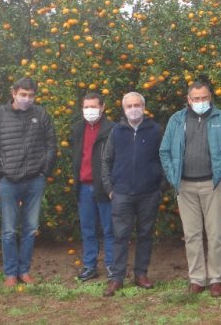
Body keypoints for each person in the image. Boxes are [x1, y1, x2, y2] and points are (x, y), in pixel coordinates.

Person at [160, 80, 221, 297]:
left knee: (215, 234)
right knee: (192, 234)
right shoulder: (177, 120)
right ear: (188, 100)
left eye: (204, 97)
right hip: (185, 186)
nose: (200, 101)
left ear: (210, 97)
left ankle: (216, 279)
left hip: (212, 184)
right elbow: (164, 151)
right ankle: (197, 278)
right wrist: (173, 177)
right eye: (196, 98)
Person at [0, 77, 57, 288]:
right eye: (23, 94)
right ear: (13, 93)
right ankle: (10, 273)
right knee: (9, 230)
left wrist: (45, 170)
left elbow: (51, 143)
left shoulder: (40, 114)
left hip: (35, 180)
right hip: (9, 181)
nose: (27, 99)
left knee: (31, 228)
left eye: (31, 95)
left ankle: (24, 270)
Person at [101, 92, 164, 297]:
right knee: (120, 236)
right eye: (129, 106)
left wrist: (160, 187)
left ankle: (141, 274)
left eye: (137, 105)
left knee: (145, 235)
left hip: (149, 193)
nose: (133, 109)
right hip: (121, 194)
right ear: (123, 109)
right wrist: (110, 189)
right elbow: (106, 161)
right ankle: (117, 277)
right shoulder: (116, 131)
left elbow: (165, 159)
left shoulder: (155, 130)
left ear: (144, 107)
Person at [70, 93, 116, 282]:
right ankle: (90, 266)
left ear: (103, 107)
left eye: (93, 107)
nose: (89, 110)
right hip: (83, 186)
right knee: (87, 229)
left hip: (104, 186)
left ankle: (113, 266)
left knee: (109, 228)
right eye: (86, 107)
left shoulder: (112, 129)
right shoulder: (77, 129)